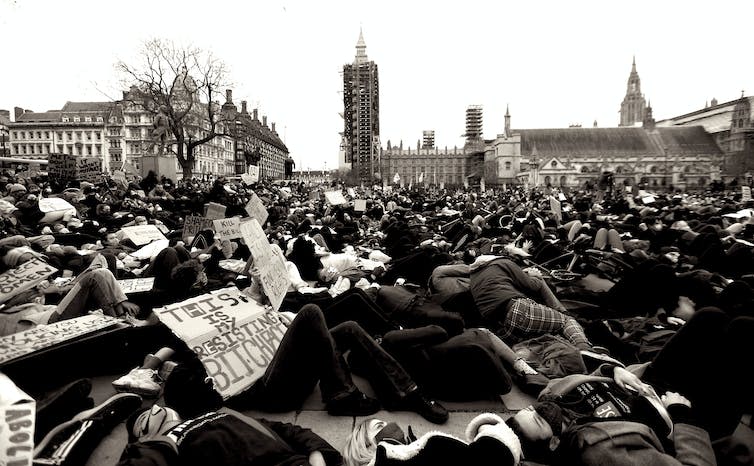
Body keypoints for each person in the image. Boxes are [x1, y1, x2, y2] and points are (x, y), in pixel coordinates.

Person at [505, 306, 754, 465]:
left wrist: (613, 370)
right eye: (540, 420)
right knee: (744, 331)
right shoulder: (598, 452)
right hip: (686, 416)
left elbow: (584, 374)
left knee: (708, 317)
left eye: (531, 410)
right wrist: (684, 419)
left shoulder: (553, 398)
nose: (541, 410)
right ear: (554, 443)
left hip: (648, 381)